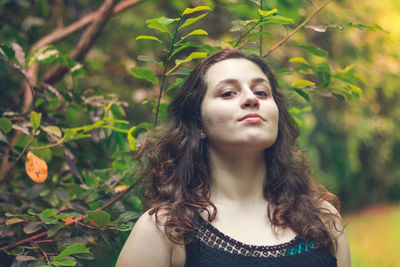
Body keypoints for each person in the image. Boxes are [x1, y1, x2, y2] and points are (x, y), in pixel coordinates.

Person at [116, 48, 351, 267]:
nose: (252, 99)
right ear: (198, 123)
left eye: (261, 92)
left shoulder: (322, 219)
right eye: (228, 93)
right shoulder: (165, 229)